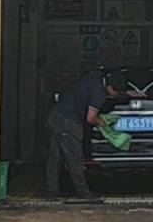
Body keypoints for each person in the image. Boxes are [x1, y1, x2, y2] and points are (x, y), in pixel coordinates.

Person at [45, 68, 113, 201]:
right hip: (68, 123)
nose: (114, 95)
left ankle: (52, 191)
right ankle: (84, 192)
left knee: (55, 157)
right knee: (75, 158)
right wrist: (102, 123)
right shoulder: (99, 94)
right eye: (115, 92)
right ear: (110, 87)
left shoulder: (96, 77)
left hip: (55, 116)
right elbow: (90, 118)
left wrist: (128, 92)